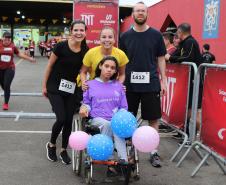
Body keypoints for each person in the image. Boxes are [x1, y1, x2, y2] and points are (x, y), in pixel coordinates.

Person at [120, 2, 167, 168]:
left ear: (147, 14)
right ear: (133, 14)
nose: (140, 13)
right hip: (129, 84)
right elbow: (120, 61)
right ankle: (130, 150)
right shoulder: (124, 36)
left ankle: (153, 152)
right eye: (137, 11)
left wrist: (164, 81)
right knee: (128, 118)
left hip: (151, 83)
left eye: (143, 11)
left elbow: (161, 58)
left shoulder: (155, 35)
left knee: (153, 118)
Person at [42, 20, 89, 165]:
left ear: (85, 32)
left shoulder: (85, 50)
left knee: (69, 120)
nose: (79, 33)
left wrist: (86, 82)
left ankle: (63, 149)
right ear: (71, 31)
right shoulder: (61, 46)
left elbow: (83, 70)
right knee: (61, 118)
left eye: (82, 30)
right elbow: (49, 65)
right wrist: (44, 86)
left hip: (71, 88)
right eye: (76, 30)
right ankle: (51, 144)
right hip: (54, 86)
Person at [79, 56, 128, 176]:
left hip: (115, 119)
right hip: (97, 119)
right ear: (100, 66)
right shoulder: (89, 84)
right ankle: (110, 160)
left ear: (116, 71)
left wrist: (122, 119)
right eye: (106, 66)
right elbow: (86, 104)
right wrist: (84, 108)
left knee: (118, 126)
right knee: (108, 124)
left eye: (112, 68)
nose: (109, 70)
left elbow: (124, 108)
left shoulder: (119, 86)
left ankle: (123, 161)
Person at [165, 23, 203, 142]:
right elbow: (172, 56)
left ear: (181, 32)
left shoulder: (190, 42)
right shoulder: (182, 44)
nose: (176, 36)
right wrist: (167, 57)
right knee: (186, 109)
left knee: (193, 111)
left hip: (194, 82)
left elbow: (188, 58)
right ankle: (186, 134)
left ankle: (203, 137)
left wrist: (170, 58)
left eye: (177, 34)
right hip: (186, 82)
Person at [80, 26, 129, 91]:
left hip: (112, 89)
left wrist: (119, 85)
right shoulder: (91, 53)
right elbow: (83, 72)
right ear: (99, 39)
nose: (107, 40)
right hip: (94, 89)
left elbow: (122, 74)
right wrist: (84, 83)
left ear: (114, 39)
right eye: (104, 37)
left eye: (110, 37)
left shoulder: (121, 54)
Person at [0, 31, 36, 110]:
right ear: (2, 38)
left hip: (10, 68)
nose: (7, 41)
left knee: (6, 85)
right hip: (0, 69)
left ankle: (6, 103)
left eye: (9, 39)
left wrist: (29, 58)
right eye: (5, 39)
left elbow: (19, 54)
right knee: (3, 85)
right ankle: (6, 89)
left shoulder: (13, 46)